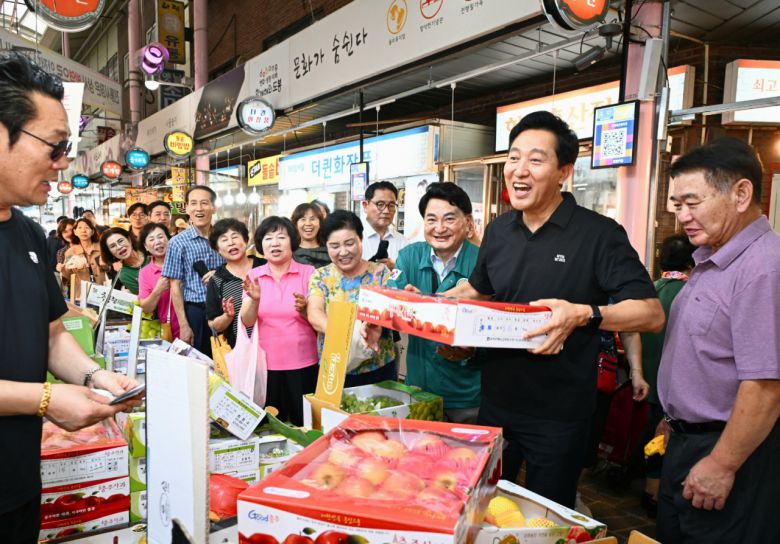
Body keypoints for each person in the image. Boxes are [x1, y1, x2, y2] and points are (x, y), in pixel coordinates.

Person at [438, 111, 663, 508]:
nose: (519, 170)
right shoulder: (498, 231)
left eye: (535, 160)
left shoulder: (599, 234)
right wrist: (437, 312)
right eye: (513, 157)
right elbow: (481, 294)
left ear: (564, 172)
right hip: (495, 404)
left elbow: (650, 313)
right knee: (481, 508)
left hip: (559, 417)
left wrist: (584, 314)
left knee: (546, 517)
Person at [0, 50, 139, 542]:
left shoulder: (29, 236)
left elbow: (52, 334)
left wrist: (98, 377)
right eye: (55, 148)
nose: (62, 165)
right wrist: (44, 399)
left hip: (17, 481)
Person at [656, 138, 780, 543]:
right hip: (689, 441)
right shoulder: (714, 257)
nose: (683, 217)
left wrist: (723, 465)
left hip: (730, 451)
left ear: (741, 194)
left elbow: (764, 386)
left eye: (693, 202)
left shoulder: (764, 268)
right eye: (677, 205)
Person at [388, 182, 482, 423]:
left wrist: (423, 306)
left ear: (468, 223)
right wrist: (408, 304)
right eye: (431, 220)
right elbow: (389, 305)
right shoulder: (409, 256)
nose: (439, 228)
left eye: (449, 219)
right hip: (420, 390)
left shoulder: (484, 262)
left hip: (468, 395)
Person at [241, 217, 318, 425]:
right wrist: (255, 300)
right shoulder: (254, 275)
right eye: (268, 238)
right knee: (271, 426)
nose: (275, 243)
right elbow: (247, 322)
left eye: (281, 237)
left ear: (292, 241)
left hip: (303, 363)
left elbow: (319, 320)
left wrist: (304, 311)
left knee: (306, 424)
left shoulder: (309, 273)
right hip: (266, 366)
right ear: (260, 245)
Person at [638, 234, 695, 517]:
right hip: (676, 386)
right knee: (670, 441)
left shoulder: (650, 290)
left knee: (653, 437)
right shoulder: (690, 293)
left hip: (649, 381)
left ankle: (650, 490)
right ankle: (663, 497)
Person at [309, 210, 396, 387]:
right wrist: (351, 334)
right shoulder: (321, 276)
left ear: (360, 239)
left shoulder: (380, 273)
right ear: (326, 246)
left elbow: (393, 311)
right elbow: (314, 313)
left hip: (378, 366)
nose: (343, 252)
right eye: (334, 246)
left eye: (349, 243)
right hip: (335, 367)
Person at [163, 186, 225, 356]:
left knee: (229, 361)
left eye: (204, 203)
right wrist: (184, 325)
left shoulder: (225, 238)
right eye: (194, 203)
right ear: (187, 208)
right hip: (197, 312)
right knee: (201, 362)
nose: (199, 208)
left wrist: (220, 275)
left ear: (213, 207)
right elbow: (174, 285)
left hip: (227, 309)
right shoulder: (177, 242)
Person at [206, 219, 263, 348]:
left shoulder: (265, 266)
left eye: (235, 236)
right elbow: (213, 325)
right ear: (217, 249)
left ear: (246, 240)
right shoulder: (217, 280)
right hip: (239, 350)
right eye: (224, 240)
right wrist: (227, 317)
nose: (231, 243)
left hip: (273, 345)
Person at [138, 223, 179, 339]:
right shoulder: (145, 273)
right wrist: (157, 290)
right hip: (170, 330)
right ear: (146, 247)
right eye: (151, 239)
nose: (157, 242)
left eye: (161, 237)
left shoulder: (182, 260)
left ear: (169, 239)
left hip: (195, 324)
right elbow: (146, 308)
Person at [361, 181, 408, 269]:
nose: (386, 211)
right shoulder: (353, 239)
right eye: (380, 204)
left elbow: (406, 275)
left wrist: (394, 269)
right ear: (365, 206)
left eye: (391, 205)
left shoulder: (402, 242)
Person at [61, 218, 106, 299]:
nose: (83, 231)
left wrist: (105, 266)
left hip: (102, 293)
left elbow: (111, 269)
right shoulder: (70, 252)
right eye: (80, 228)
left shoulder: (102, 248)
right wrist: (63, 270)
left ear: (92, 231)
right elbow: (68, 277)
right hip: (81, 295)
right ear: (75, 232)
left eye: (87, 227)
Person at [99, 227, 149, 295]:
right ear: (110, 252)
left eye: (120, 241)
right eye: (113, 246)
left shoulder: (148, 251)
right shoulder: (124, 275)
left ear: (129, 240)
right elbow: (146, 298)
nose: (119, 247)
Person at [291, 202, 331, 268]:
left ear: (320, 223)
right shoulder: (290, 253)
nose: (308, 223)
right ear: (296, 224)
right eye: (303, 219)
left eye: (312, 219)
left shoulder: (330, 251)